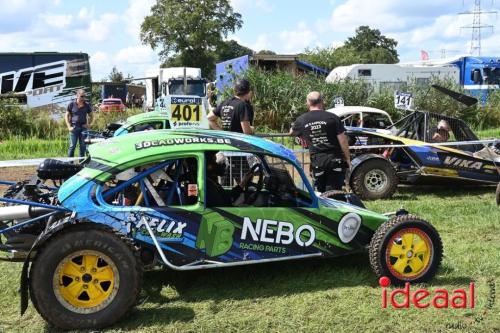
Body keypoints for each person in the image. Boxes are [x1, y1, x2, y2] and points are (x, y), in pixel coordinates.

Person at [290, 91, 351, 192]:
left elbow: (291, 132)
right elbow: (343, 140)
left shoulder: (301, 119)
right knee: (336, 190)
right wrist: (348, 158)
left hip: (318, 160)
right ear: (322, 102)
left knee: (320, 192)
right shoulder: (333, 117)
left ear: (308, 103)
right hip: (334, 158)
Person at [65, 89, 93, 157]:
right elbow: (66, 115)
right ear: (77, 96)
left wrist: (89, 124)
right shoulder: (71, 104)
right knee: (72, 146)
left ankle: (81, 163)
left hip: (83, 128)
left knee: (83, 146)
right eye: (82, 96)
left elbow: (92, 115)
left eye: (84, 96)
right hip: (74, 127)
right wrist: (69, 127)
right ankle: (70, 163)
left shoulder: (87, 105)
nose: (83, 98)